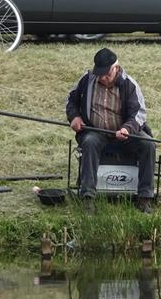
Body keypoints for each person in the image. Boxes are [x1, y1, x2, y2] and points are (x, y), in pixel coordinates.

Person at [66, 48, 156, 214]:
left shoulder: (130, 84)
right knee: (89, 142)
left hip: (125, 132)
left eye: (106, 74)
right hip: (95, 131)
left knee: (148, 144)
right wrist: (75, 117)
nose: (102, 78)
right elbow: (70, 100)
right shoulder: (86, 80)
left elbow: (139, 114)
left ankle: (145, 197)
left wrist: (127, 129)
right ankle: (88, 198)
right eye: (99, 74)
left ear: (116, 68)